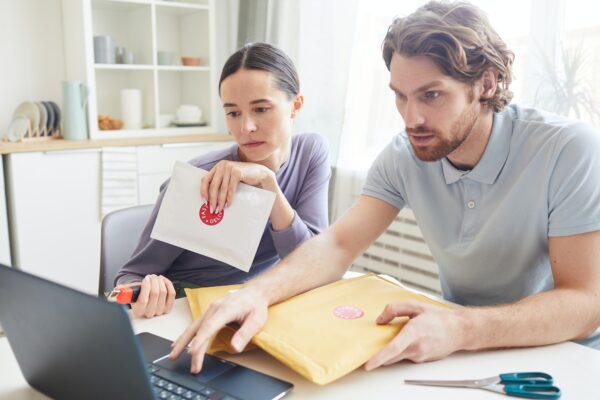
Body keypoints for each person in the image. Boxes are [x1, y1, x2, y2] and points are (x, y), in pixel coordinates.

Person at [170, 1, 600, 374]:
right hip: (459, 345)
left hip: (563, 353)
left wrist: (461, 327)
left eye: (431, 95)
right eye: (399, 95)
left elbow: (584, 302)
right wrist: (255, 294)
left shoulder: (569, 149)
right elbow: (337, 245)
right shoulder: (405, 153)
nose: (410, 118)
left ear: (485, 84)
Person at [114, 43, 331, 319]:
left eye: (261, 109)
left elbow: (312, 264)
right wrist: (146, 291)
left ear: (295, 106)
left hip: (260, 303)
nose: (246, 128)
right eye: (233, 113)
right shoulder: (198, 178)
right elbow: (129, 276)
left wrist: (268, 184)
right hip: (189, 310)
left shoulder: (311, 152)